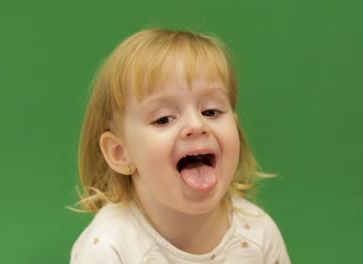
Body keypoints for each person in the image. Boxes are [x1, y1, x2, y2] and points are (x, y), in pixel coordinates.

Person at [71, 28, 291, 264]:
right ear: (120, 153)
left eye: (210, 111)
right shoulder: (108, 248)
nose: (197, 125)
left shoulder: (257, 234)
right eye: (164, 118)